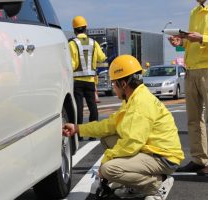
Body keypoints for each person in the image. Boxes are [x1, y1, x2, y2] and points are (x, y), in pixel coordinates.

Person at [63, 55, 184, 200]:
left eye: (114, 83)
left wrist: (105, 163)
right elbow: (109, 125)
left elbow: (132, 143)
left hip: (163, 158)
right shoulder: (133, 98)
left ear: (123, 83)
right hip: (152, 150)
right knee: (108, 138)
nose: (113, 88)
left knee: (109, 169)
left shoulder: (139, 104)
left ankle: (157, 185)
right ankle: (133, 185)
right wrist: (78, 128)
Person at [168, 0, 208, 175]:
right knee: (193, 118)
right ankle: (199, 159)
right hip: (191, 69)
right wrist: (180, 42)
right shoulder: (194, 11)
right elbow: (191, 42)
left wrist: (202, 37)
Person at [68, 16, 107, 141]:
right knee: (92, 107)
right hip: (90, 81)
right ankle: (93, 134)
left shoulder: (72, 43)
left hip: (77, 81)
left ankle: (78, 135)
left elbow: (72, 64)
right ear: (85, 28)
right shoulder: (93, 43)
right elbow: (102, 58)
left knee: (79, 108)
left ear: (74, 30)